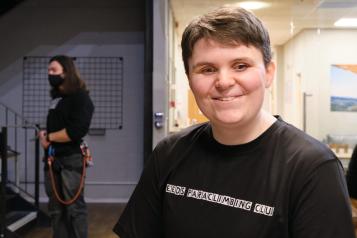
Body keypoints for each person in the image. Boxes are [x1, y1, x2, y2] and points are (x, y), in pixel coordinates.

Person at [113, 7, 355, 238]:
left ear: (268, 72)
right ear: (189, 79)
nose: (224, 81)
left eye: (241, 66)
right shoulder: (169, 154)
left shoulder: (311, 167)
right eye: (207, 69)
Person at [38, 55, 94, 238]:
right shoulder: (56, 99)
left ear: (67, 72)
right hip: (52, 160)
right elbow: (56, 126)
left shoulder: (81, 98)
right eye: (48, 71)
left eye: (54, 70)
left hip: (71, 160)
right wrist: (45, 135)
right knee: (55, 210)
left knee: (74, 208)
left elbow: (76, 130)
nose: (50, 74)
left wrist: (50, 137)